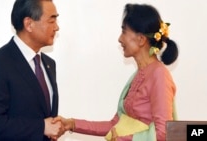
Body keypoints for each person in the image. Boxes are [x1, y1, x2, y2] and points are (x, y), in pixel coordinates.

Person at [55, 3, 178, 141]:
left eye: (124, 32)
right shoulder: (138, 75)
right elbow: (115, 125)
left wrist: (121, 139)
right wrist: (72, 124)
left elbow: (164, 133)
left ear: (141, 39)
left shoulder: (159, 75)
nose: (120, 39)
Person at [0, 0, 64, 141]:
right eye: (51, 21)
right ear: (29, 24)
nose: (57, 27)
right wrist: (41, 127)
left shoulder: (49, 64)